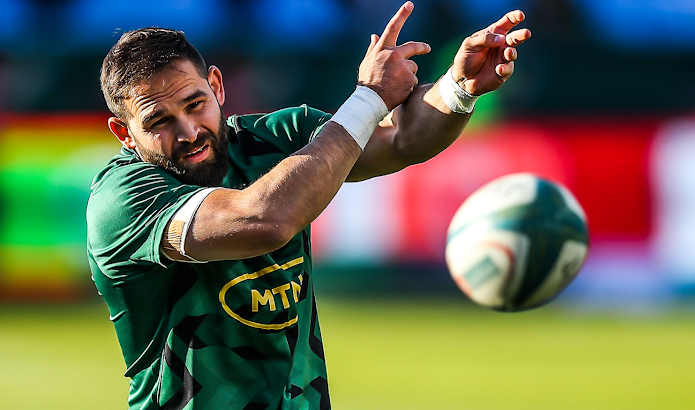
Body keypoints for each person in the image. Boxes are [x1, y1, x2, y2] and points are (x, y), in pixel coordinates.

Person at [87, 2, 531, 409]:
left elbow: (401, 139)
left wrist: (459, 87)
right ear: (124, 133)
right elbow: (263, 220)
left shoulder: (277, 138)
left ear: (217, 87)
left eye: (195, 104)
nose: (189, 131)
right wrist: (368, 99)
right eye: (159, 121)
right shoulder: (123, 198)